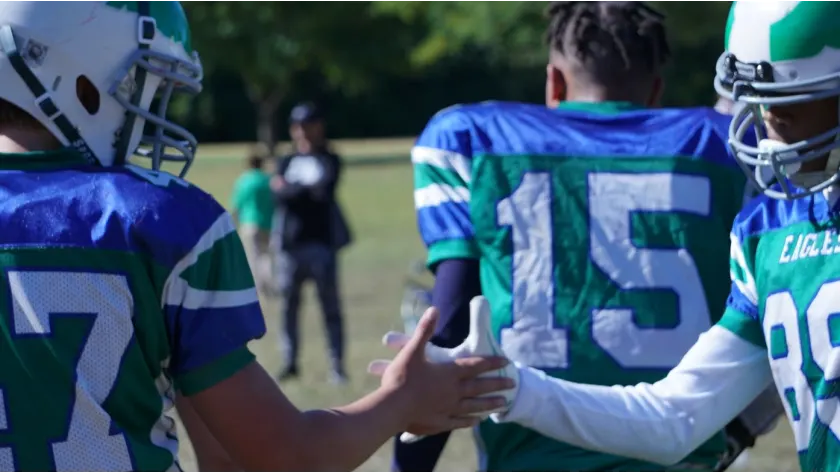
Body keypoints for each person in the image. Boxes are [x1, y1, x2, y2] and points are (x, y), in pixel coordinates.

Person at [0, 1, 517, 471]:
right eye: (138, 82)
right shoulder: (159, 221)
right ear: (80, 77)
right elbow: (281, 457)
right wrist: (400, 401)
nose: (150, 110)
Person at [407, 1, 840, 472]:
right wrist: (511, 386)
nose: (768, 122)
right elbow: (675, 418)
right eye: (758, 97)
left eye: (792, 99)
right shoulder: (770, 229)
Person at [272, 102, 352, 384]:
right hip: (290, 245)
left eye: (307, 125)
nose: (302, 132)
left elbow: (323, 192)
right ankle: (290, 361)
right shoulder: (285, 160)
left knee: (330, 308)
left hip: (321, 244)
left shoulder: (330, 158)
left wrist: (292, 191)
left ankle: (337, 366)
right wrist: (301, 191)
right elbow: (279, 196)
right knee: (288, 308)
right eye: (297, 126)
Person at [231, 151, 274, 293]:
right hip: (268, 222)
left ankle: (258, 286)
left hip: (249, 222)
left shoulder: (244, 181)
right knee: (266, 255)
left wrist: (233, 223)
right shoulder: (268, 180)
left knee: (253, 256)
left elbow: (237, 205)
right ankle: (267, 283)